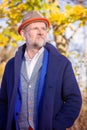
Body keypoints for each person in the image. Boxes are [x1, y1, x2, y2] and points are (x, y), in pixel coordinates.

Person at [0, 10, 82, 130]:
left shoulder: (61, 63)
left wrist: (56, 126)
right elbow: (3, 101)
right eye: (35, 28)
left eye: (44, 28)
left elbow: (74, 99)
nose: (41, 32)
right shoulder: (11, 65)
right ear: (23, 34)